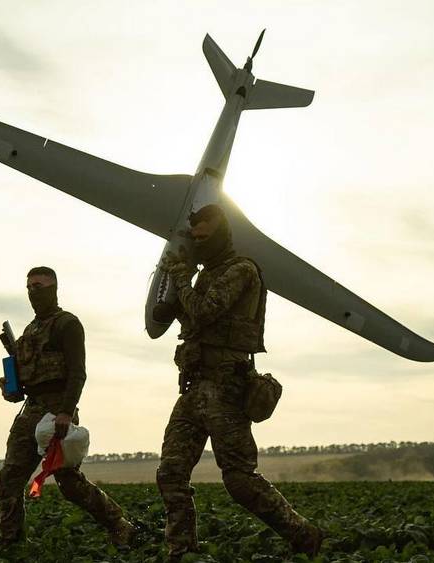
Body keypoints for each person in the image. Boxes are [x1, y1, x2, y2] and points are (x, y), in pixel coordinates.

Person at [155, 204, 323, 560]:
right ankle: (181, 551)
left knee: (239, 479)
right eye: (195, 235)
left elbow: (204, 311)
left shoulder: (241, 271)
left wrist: (182, 280)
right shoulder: (203, 275)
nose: (198, 241)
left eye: (205, 235)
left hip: (226, 390)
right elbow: (190, 316)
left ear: (222, 235)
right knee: (170, 473)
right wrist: (171, 297)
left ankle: (304, 535)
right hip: (193, 388)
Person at [0, 266, 135, 546]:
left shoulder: (67, 324)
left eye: (39, 286)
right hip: (30, 411)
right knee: (8, 479)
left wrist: (66, 412)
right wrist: (10, 387)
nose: (33, 292)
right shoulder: (30, 330)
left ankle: (119, 524)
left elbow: (77, 372)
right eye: (29, 287)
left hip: (56, 411)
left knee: (69, 484)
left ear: (53, 288)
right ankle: (11, 541)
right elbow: (26, 378)